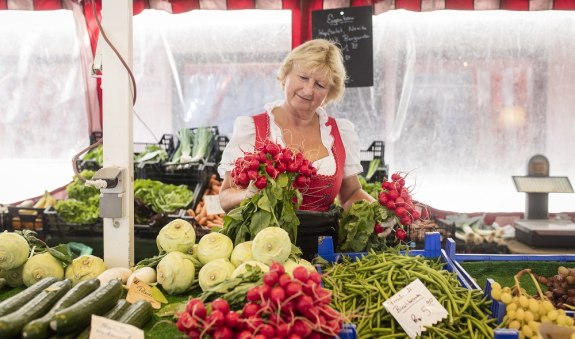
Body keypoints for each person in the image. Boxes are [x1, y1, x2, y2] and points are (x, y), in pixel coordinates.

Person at [218, 38, 375, 213]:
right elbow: (225, 197)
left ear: (329, 93)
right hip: (267, 239)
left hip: (323, 239)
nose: (308, 90)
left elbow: (351, 194)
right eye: (303, 77)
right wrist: (248, 195)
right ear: (286, 75)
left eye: (320, 85)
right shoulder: (252, 129)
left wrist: (379, 212)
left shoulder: (339, 133)